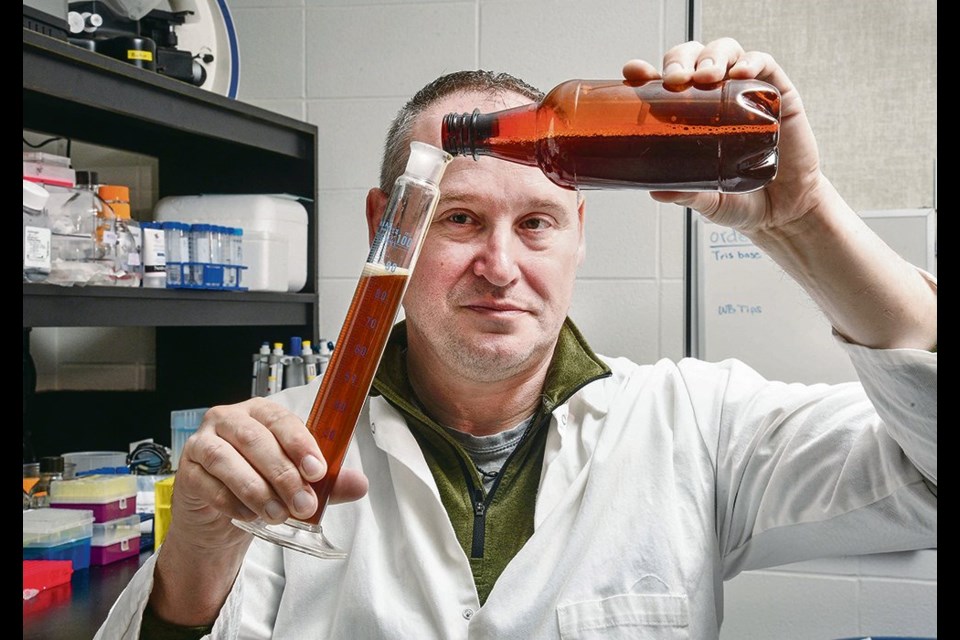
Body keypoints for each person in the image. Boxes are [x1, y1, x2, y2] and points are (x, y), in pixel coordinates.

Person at [97, 38, 937, 639]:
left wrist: (805, 216)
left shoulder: (700, 426)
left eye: (535, 223)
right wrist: (195, 563)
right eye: (458, 218)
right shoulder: (276, 451)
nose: (499, 266)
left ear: (579, 231)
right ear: (386, 224)